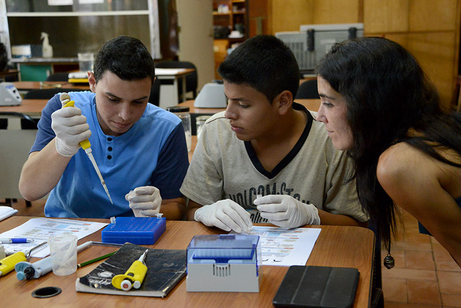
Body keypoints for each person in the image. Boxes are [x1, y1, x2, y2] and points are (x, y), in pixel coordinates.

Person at [180, 35, 368, 233]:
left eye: (243, 104)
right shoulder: (216, 131)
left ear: (283, 102)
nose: (229, 113)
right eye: (227, 99)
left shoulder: (332, 138)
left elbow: (358, 226)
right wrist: (204, 212)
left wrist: (312, 216)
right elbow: (192, 210)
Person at [315, 36, 461, 267]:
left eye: (329, 103)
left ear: (369, 103)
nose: (321, 116)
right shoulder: (431, 128)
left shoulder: (399, 165)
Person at [19, 36, 189, 219]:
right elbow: (29, 191)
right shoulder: (65, 111)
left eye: (139, 102)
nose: (124, 115)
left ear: (151, 86)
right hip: (68, 231)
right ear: (92, 82)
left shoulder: (167, 129)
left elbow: (176, 206)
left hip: (132, 233)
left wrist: (157, 210)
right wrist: (61, 147)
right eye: (113, 100)